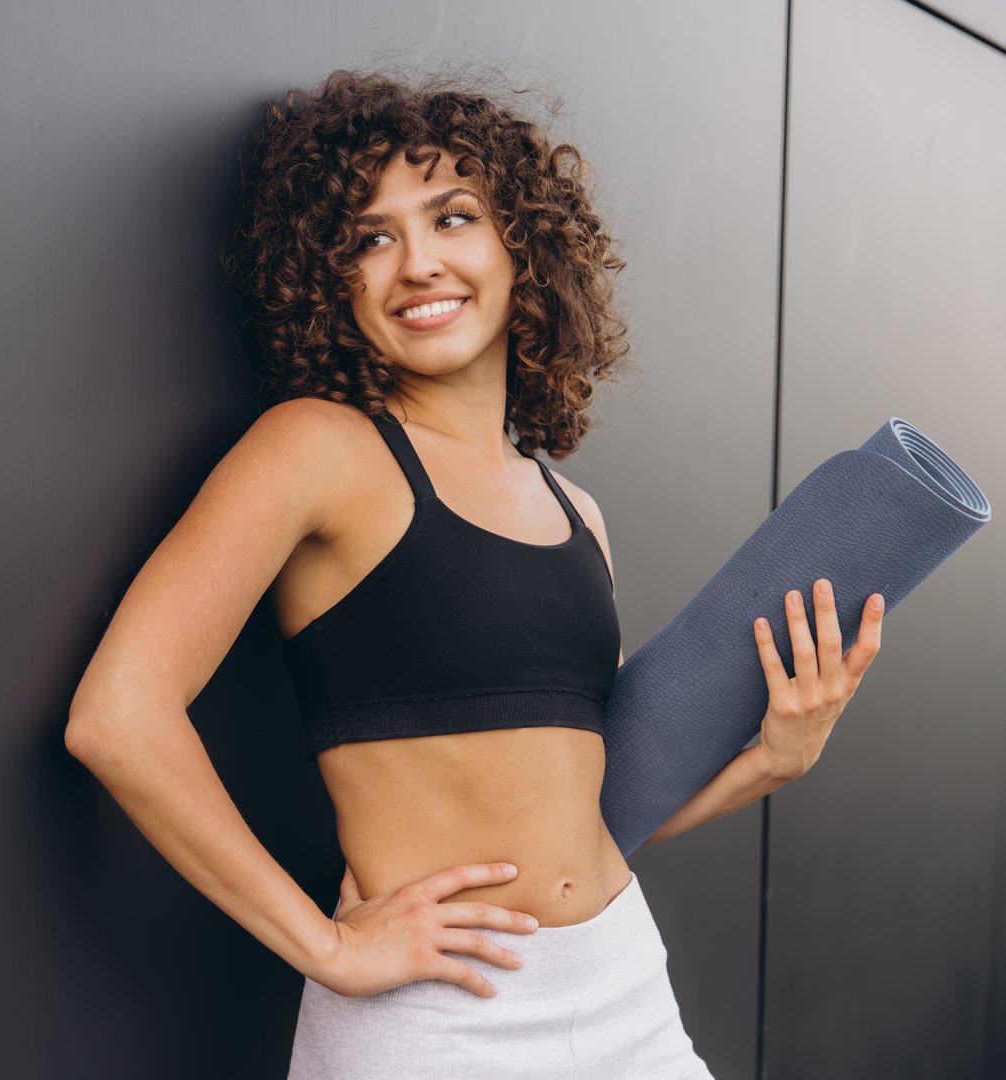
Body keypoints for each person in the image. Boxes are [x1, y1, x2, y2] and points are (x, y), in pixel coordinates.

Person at [64, 65, 884, 1079]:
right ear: (331, 280)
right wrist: (325, 947)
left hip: (623, 988)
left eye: (451, 218)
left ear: (519, 245)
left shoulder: (570, 507)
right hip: (439, 1024)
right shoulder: (317, 449)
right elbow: (117, 714)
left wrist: (771, 759)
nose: (416, 263)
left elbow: (592, 800)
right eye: (370, 237)